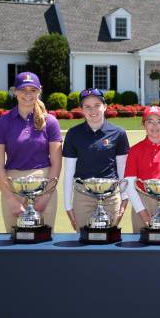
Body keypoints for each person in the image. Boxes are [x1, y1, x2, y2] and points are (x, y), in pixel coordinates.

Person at [0, 72, 62, 232]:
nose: (28, 94)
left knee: (44, 241)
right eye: (23, 90)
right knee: (15, 241)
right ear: (14, 91)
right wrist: (10, 199)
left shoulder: (50, 122)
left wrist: (45, 197)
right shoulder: (2, 123)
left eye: (33, 90)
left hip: (44, 184)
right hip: (12, 186)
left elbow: (57, 163)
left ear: (39, 91)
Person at [62, 89, 130, 231]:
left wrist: (124, 199)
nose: (93, 110)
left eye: (97, 105)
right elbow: (69, 172)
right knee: (83, 241)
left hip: (111, 197)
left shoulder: (119, 133)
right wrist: (68, 206)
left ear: (105, 106)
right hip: (83, 196)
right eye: (87, 106)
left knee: (109, 241)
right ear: (81, 109)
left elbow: (122, 169)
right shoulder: (73, 134)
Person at [124, 105, 160, 233]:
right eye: (150, 122)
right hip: (142, 201)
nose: (155, 126)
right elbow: (129, 184)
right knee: (141, 246)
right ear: (143, 125)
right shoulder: (134, 150)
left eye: (159, 122)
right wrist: (143, 213)